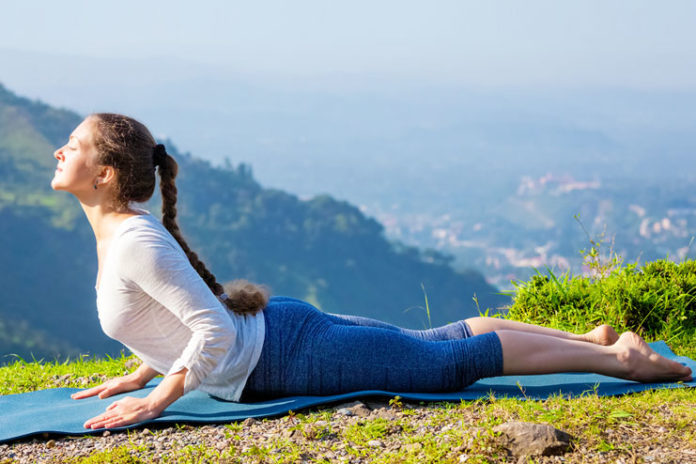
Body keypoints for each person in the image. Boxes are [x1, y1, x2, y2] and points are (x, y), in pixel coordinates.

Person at [53, 114, 691, 431]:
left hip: (284, 358)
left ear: (105, 174)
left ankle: (621, 363)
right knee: (434, 345)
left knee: (444, 365)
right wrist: (145, 365)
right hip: (282, 338)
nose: (59, 151)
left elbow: (211, 330)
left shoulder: (135, 240)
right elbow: (174, 314)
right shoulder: (125, 234)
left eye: (73, 146)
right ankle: (591, 340)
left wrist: (156, 402)